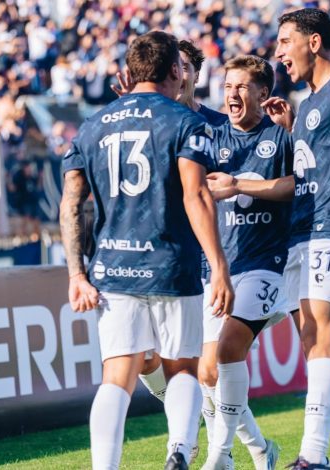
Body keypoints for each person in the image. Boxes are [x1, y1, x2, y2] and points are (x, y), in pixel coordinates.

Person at [208, 8, 330, 470]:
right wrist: (292, 129)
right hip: (303, 233)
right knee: (318, 344)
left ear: (313, 42)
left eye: (285, 41)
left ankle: (313, 456)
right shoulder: (309, 103)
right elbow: (314, 163)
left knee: (320, 334)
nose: (278, 52)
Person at [59, 31, 234, 470]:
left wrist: (76, 274)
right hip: (171, 263)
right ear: (176, 70)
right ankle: (179, 450)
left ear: (131, 71)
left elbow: (71, 203)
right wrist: (219, 267)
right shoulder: (185, 121)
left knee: (116, 377)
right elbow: (196, 195)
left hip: (113, 267)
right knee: (182, 367)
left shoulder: (93, 124)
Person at [199, 55, 290, 470]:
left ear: (262, 93)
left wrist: (237, 185)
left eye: (241, 87)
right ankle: (260, 449)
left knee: (230, 346)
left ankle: (219, 457)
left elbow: (296, 186)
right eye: (227, 86)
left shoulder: (279, 136)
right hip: (221, 266)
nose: (232, 94)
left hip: (267, 262)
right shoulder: (212, 137)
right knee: (208, 373)